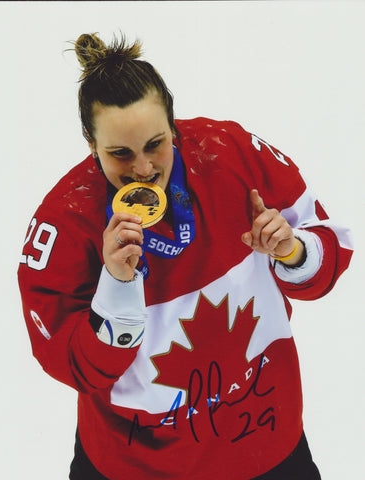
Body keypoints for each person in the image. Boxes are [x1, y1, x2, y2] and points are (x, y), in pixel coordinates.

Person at [18, 32, 353, 480]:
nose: (142, 168)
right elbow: (75, 367)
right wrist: (116, 287)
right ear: (90, 143)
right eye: (119, 153)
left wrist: (292, 251)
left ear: (173, 125)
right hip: (134, 463)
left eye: (156, 144)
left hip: (263, 444)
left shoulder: (231, 153)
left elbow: (330, 251)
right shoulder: (64, 222)